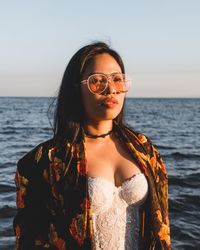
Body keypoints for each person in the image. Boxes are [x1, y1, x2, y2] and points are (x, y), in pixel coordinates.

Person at [13, 42, 171, 250]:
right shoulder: (48, 160)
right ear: (76, 89)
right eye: (97, 81)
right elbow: (29, 238)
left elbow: (162, 227)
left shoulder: (143, 149)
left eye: (117, 79)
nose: (111, 90)